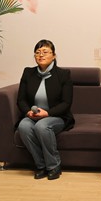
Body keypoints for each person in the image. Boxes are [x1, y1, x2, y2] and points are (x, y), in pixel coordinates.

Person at [16, 40, 74, 180]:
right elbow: (21, 100)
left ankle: (54, 165)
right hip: (33, 116)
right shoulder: (28, 73)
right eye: (37, 52)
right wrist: (28, 112)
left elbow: (66, 103)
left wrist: (47, 113)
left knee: (42, 126)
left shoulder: (63, 74)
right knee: (23, 126)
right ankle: (41, 165)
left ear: (53, 56)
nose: (41, 55)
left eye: (45, 52)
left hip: (57, 116)